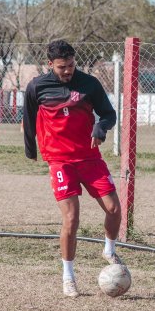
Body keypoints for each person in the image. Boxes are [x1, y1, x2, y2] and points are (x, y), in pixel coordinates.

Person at [24, 40, 122, 297]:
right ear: (50, 64)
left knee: (114, 209)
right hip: (60, 161)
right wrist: (31, 151)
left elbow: (109, 114)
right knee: (71, 219)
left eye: (70, 65)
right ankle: (68, 277)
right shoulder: (37, 87)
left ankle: (109, 250)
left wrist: (100, 128)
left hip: (90, 158)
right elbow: (28, 118)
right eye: (61, 67)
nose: (67, 71)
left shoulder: (89, 84)